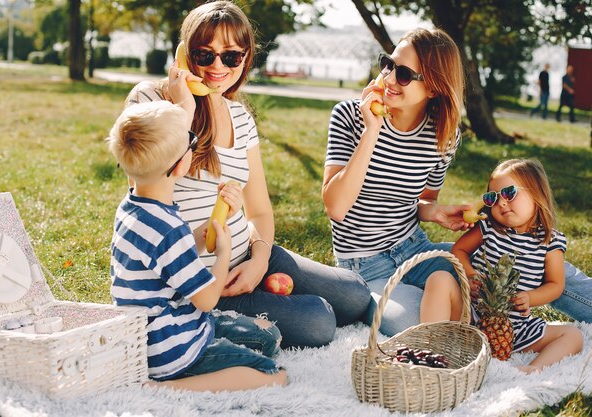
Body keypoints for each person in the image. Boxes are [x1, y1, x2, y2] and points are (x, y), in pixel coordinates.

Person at [124, 0, 371, 349]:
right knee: (319, 321)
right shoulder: (150, 100)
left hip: (247, 254)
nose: (217, 66)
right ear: (184, 54)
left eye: (231, 56)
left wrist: (259, 259)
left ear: (245, 58)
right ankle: (214, 320)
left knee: (356, 295)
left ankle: (258, 289)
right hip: (201, 282)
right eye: (204, 54)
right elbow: (145, 190)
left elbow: (259, 211)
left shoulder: (240, 117)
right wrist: (185, 108)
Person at [322, 28, 592, 336]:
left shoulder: (442, 136)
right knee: (414, 321)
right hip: (363, 266)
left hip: (416, 249)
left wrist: (433, 211)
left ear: (434, 88)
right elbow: (337, 207)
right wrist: (371, 130)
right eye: (389, 64)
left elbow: (415, 201)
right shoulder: (348, 116)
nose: (390, 78)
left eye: (406, 74)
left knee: (523, 254)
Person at [107, 100, 287, 391]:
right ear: (181, 165)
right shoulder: (168, 228)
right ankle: (170, 387)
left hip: (152, 335)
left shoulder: (134, 207)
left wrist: (214, 224)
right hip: (171, 349)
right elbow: (206, 301)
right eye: (192, 140)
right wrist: (223, 253)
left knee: (268, 338)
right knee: (270, 369)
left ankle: (186, 367)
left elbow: (171, 256)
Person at [449, 159, 582, 373]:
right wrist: (471, 275)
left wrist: (531, 298)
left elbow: (556, 285)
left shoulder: (550, 241)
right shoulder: (488, 228)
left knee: (573, 335)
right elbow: (459, 250)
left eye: (509, 193)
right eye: (492, 198)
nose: (501, 203)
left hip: (516, 328)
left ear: (537, 194)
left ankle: (533, 369)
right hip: (471, 317)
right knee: (439, 280)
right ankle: (439, 345)